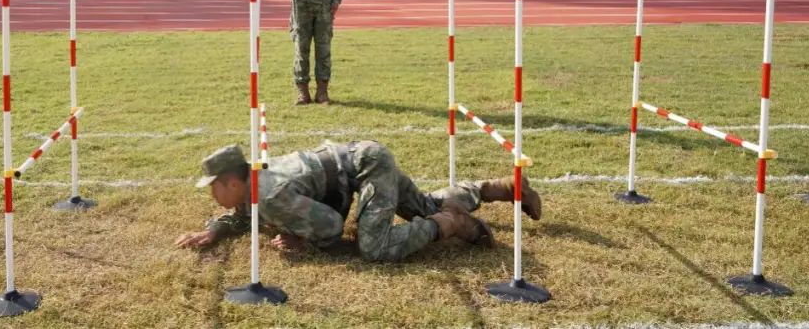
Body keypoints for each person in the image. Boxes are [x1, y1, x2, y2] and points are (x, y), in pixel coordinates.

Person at [174, 142, 542, 262]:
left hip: (366, 169)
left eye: (214, 188)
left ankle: (453, 223)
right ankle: (500, 187)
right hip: (363, 159)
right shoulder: (255, 182)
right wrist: (214, 230)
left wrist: (303, 240)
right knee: (425, 205)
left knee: (374, 246)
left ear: (233, 182)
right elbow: (244, 214)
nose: (212, 195)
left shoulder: (270, 196)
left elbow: (331, 227)